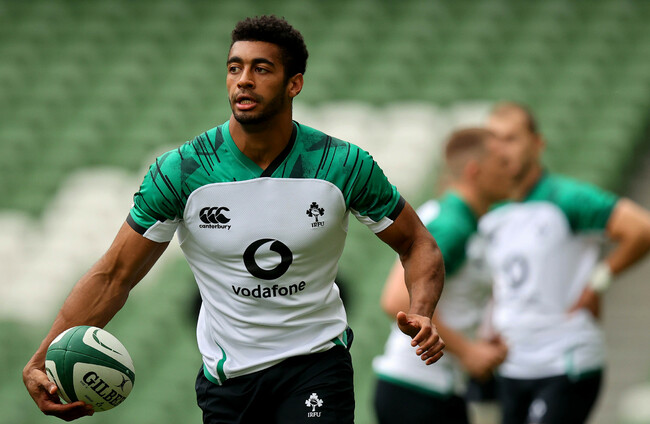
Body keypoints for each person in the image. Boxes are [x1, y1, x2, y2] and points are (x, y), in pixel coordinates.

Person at [22, 15, 446, 424]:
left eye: (261, 69)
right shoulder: (182, 171)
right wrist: (42, 359)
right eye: (234, 68)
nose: (243, 79)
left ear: (294, 83)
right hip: (229, 383)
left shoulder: (341, 164)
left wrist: (422, 310)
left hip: (317, 365)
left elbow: (417, 243)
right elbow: (115, 275)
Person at [480, 101, 650, 424]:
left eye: (511, 138)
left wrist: (598, 281)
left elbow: (641, 229)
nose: (500, 149)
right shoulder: (493, 210)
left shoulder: (565, 198)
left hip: (564, 358)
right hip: (513, 363)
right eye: (493, 139)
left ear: (537, 144)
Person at [373, 128, 512, 424]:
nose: (510, 169)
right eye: (501, 162)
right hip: (418, 392)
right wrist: (468, 351)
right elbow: (397, 300)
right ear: (474, 171)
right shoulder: (453, 225)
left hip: (435, 389)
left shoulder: (463, 220)